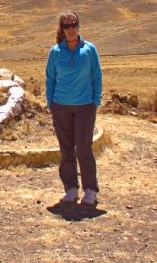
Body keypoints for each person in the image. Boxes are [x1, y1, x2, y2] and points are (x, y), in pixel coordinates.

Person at [45, 10, 102, 206]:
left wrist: (95, 101)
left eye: (74, 24)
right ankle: (70, 188)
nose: (71, 29)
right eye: (66, 26)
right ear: (62, 29)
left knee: (83, 148)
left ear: (79, 26)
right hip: (61, 106)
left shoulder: (89, 49)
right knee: (66, 149)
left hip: (85, 106)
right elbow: (50, 78)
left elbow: (97, 76)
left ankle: (90, 189)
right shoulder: (55, 52)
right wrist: (50, 102)